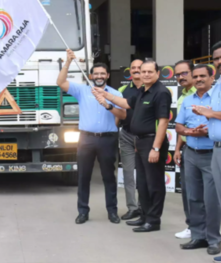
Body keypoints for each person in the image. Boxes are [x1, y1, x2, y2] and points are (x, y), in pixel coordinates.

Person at [94, 60, 171, 232]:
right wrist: (105, 95)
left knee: (154, 184)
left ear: (157, 73)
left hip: (152, 143)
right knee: (142, 183)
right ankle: (144, 216)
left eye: (150, 72)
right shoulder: (142, 91)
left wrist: (156, 148)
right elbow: (125, 103)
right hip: (140, 141)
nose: (145, 74)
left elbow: (163, 122)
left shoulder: (161, 92)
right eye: (143, 71)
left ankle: (154, 220)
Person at [57, 49, 126, 224]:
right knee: (84, 176)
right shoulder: (82, 90)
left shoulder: (115, 94)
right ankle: (83, 212)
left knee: (109, 177)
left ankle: (112, 211)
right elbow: (61, 82)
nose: (99, 76)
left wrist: (107, 105)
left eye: (103, 73)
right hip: (86, 139)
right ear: (91, 75)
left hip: (108, 139)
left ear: (108, 75)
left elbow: (123, 115)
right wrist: (68, 62)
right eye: (96, 73)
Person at [193, 41, 221, 263]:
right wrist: (208, 121)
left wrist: (211, 113)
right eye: (216, 59)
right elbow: (218, 116)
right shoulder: (219, 85)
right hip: (218, 148)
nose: (220, 62)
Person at [175, 64, 221, 255]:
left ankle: (213, 240)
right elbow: (178, 125)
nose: (199, 79)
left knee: (211, 201)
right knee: (193, 197)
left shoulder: (218, 99)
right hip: (191, 153)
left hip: (211, 154)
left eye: (203, 76)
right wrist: (187, 131)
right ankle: (198, 236)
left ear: (212, 77)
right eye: (196, 76)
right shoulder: (187, 100)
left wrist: (207, 132)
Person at [118, 59, 143, 220]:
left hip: (146, 137)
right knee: (128, 174)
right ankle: (132, 208)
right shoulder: (122, 90)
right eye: (133, 68)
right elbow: (118, 111)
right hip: (126, 135)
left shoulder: (153, 90)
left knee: (144, 175)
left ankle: (143, 207)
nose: (135, 70)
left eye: (139, 68)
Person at [173, 60, 196, 240]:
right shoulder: (183, 97)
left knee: (202, 193)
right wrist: (178, 149)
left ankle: (206, 228)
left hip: (203, 149)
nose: (181, 77)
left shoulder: (202, 94)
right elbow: (181, 127)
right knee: (187, 191)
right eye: (178, 74)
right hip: (187, 148)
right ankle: (191, 225)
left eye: (184, 73)